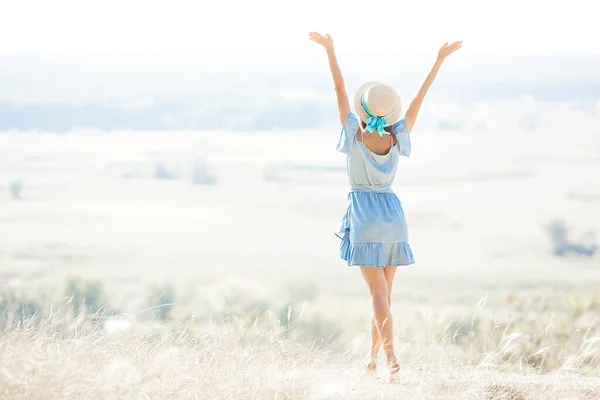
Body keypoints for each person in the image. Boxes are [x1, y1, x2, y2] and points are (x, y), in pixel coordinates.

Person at [309, 32, 462, 376]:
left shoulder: (354, 135)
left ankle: (391, 359)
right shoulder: (396, 136)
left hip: (364, 216)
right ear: (389, 111)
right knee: (384, 297)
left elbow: (338, 90)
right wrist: (438, 60)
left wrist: (330, 50)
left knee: (377, 296)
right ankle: (372, 360)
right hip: (393, 215)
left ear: (362, 111)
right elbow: (417, 103)